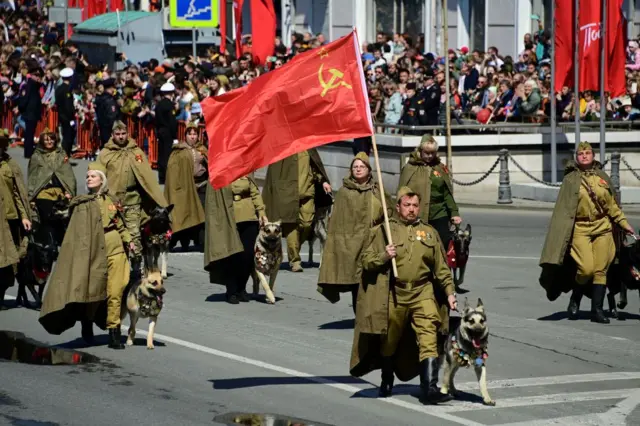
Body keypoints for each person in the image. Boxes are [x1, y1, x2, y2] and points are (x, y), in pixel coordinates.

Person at [349, 187, 457, 404]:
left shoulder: (429, 232)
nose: (411, 210)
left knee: (429, 334)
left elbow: (442, 268)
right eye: (406, 205)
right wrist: (383, 255)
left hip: (422, 291)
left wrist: (450, 293)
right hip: (394, 293)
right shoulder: (384, 231)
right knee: (390, 339)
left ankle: (429, 389)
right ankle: (387, 376)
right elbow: (366, 261)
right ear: (398, 207)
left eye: (415, 205)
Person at [39, 163, 134, 349]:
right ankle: (87, 321)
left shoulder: (112, 200)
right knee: (93, 291)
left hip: (115, 249)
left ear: (102, 180)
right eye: (87, 176)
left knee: (116, 291)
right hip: (93, 252)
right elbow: (75, 230)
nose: (89, 178)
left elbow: (120, 225)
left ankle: (114, 332)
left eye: (93, 176)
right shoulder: (82, 203)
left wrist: (129, 240)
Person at [539, 142, 635, 324]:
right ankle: (576, 297)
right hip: (580, 229)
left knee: (601, 270)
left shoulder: (602, 177)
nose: (584, 156)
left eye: (587, 153)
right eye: (581, 153)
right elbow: (563, 211)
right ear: (576, 157)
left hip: (603, 227)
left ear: (593, 156)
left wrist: (624, 223)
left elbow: (612, 206)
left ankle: (597, 311)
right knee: (586, 269)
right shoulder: (570, 179)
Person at [317, 152, 391, 313]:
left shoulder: (377, 190)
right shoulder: (345, 192)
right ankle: (360, 315)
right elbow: (338, 224)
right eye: (355, 167)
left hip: (374, 242)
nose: (358, 169)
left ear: (369, 169)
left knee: (374, 279)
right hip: (351, 245)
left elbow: (390, 211)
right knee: (356, 281)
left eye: (362, 166)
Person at [98, 121, 168, 277]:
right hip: (113, 202)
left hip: (133, 200)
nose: (121, 137)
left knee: (134, 235)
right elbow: (98, 175)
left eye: (123, 134)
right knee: (114, 235)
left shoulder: (135, 152)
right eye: (118, 134)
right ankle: (115, 269)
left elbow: (146, 176)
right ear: (112, 135)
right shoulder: (105, 153)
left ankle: (136, 270)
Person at [262, 149, 332, 272]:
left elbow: (315, 166)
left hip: (307, 193)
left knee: (306, 224)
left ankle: (294, 249)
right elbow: (275, 172)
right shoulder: (285, 148)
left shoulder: (309, 148)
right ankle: (295, 261)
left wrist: (323, 181)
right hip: (288, 195)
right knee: (291, 226)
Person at [204, 174, 267, 304]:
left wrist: (261, 212)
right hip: (228, 217)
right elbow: (214, 199)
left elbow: (255, 193)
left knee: (248, 255)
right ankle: (232, 290)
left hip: (249, 216)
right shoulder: (221, 170)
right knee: (232, 255)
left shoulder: (247, 171)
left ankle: (242, 287)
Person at [398, 135, 461, 249]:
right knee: (420, 246)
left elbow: (447, 193)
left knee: (443, 243)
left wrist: (454, 212)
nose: (429, 156)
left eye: (432, 153)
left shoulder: (440, 167)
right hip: (418, 213)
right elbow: (402, 194)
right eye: (426, 153)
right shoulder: (409, 168)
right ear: (420, 151)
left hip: (439, 213)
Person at [27, 128, 77, 251]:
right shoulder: (36, 156)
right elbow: (32, 177)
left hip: (59, 192)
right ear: (42, 141)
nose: (49, 142)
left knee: (61, 218)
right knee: (46, 218)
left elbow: (68, 175)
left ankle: (58, 241)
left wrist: (69, 192)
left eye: (51, 139)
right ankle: (49, 243)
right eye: (46, 139)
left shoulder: (61, 155)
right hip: (43, 193)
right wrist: (31, 197)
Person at [0, 129, 32, 309]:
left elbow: (18, 193)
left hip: (9, 218)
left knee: (8, 262)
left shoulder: (10, 165)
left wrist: (24, 216)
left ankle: (1, 295)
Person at [164, 122, 206, 250]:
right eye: (190, 134)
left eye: (195, 134)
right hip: (185, 187)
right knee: (184, 213)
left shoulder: (203, 149)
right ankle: (180, 240)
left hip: (202, 185)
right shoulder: (179, 151)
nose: (192, 137)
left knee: (202, 214)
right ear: (185, 135)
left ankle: (202, 242)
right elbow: (172, 170)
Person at [155, 83, 178, 185]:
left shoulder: (159, 105)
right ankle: (167, 177)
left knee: (161, 154)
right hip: (168, 132)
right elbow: (172, 121)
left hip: (160, 130)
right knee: (168, 155)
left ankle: (161, 177)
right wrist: (175, 136)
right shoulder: (169, 105)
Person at [55, 68, 76, 156]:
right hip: (67, 117)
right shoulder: (67, 90)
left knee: (65, 135)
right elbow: (68, 106)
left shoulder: (59, 88)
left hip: (61, 115)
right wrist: (71, 118)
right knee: (68, 137)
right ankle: (64, 156)